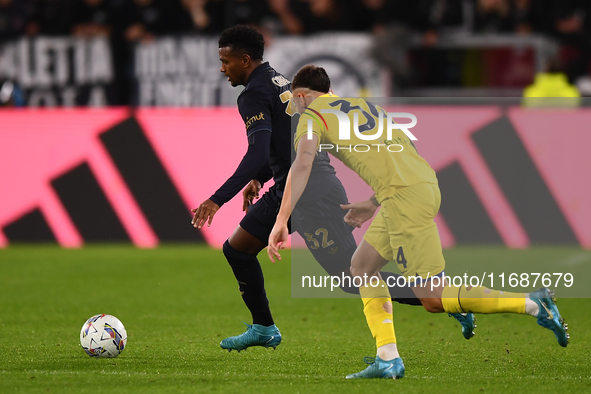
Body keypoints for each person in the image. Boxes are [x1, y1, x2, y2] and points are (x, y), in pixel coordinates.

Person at [267, 64, 569, 379]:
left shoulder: (311, 117)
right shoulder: (366, 107)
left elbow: (302, 165)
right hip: (417, 187)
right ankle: (387, 358)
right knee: (361, 268)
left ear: (301, 95)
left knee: (432, 298)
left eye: (294, 100)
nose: (295, 106)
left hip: (402, 199)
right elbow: (404, 149)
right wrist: (373, 203)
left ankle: (532, 304)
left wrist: (281, 220)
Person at [191, 25, 468, 353]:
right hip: (290, 186)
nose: (222, 68)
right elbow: (281, 144)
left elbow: (257, 150)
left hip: (312, 193)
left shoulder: (252, 94)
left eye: (226, 61)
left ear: (245, 59)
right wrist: (261, 178)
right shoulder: (278, 81)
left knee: (353, 279)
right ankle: (264, 327)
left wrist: (216, 199)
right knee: (237, 250)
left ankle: (446, 298)